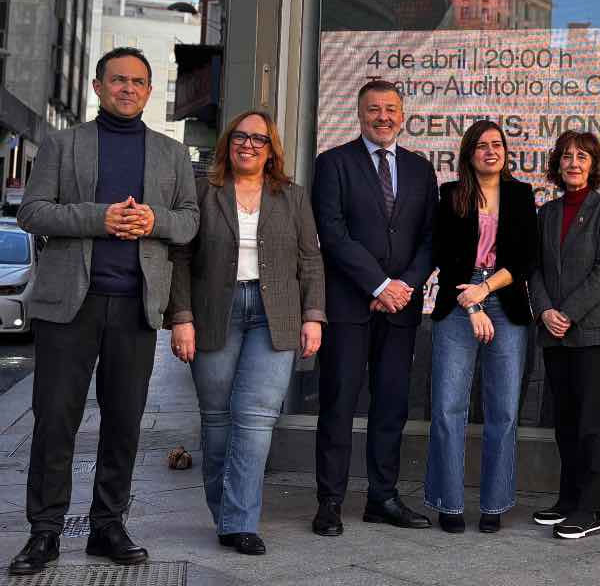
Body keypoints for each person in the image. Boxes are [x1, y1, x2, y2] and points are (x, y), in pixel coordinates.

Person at [9, 48, 199, 575]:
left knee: (123, 424)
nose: (128, 89)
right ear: (98, 86)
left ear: (147, 90)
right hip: (69, 305)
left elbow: (188, 223)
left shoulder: (171, 154)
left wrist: (153, 220)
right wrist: (102, 218)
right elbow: (31, 211)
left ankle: (107, 525)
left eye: (139, 82)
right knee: (54, 422)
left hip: (136, 306)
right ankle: (44, 532)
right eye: (118, 80)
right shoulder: (61, 143)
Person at [167, 111, 326, 555]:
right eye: (241, 136)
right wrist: (181, 317)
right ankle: (226, 514)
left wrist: (313, 316)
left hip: (275, 315)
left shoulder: (292, 197)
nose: (249, 144)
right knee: (217, 422)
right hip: (214, 311)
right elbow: (179, 258)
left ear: (271, 148)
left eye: (259, 139)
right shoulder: (203, 192)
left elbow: (310, 259)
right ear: (228, 144)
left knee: (255, 420)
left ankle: (240, 520)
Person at [310, 80, 438, 536]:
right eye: (373, 109)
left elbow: (429, 239)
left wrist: (404, 285)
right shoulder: (333, 163)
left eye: (390, 109)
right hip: (349, 306)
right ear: (358, 114)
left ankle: (382, 498)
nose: (382, 117)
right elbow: (333, 231)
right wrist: (378, 282)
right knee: (338, 403)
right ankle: (330, 501)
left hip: (401, 309)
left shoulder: (422, 171)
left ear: (402, 115)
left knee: (391, 406)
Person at [424, 120, 537, 534]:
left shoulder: (521, 196)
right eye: (482, 146)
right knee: (448, 408)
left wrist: (486, 288)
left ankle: (495, 503)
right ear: (468, 153)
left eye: (498, 145)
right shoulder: (451, 195)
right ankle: (448, 503)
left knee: (503, 410)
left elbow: (527, 259)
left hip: (505, 302)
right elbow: (445, 255)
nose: (492, 151)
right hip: (458, 303)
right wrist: (472, 303)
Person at [528, 131, 600, 540]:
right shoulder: (546, 213)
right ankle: (567, 500)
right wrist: (546, 310)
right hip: (555, 334)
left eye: (582, 157)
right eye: (566, 156)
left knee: (590, 424)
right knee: (565, 422)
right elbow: (534, 269)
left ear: (594, 164)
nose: (573, 163)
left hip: (594, 334)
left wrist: (566, 312)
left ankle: (590, 508)